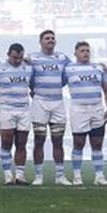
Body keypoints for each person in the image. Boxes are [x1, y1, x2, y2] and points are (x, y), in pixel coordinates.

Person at [64, 41, 107, 186]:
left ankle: (99, 176)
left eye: (87, 50)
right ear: (75, 53)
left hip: (97, 109)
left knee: (97, 143)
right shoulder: (68, 69)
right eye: (82, 51)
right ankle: (77, 176)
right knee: (79, 143)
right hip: (79, 109)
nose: (85, 53)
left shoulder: (98, 68)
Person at [28, 30, 73, 185]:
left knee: (58, 140)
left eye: (53, 38)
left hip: (58, 103)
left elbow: (73, 72)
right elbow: (24, 72)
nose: (50, 40)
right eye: (47, 38)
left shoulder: (62, 58)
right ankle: (39, 176)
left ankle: (60, 176)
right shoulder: (33, 58)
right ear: (40, 42)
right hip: (40, 103)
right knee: (39, 140)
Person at [0, 43, 33, 185]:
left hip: (24, 110)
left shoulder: (29, 68)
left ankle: (20, 175)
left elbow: (33, 86)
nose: (17, 60)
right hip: (6, 109)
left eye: (20, 58)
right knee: (6, 142)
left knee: (21, 143)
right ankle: (8, 174)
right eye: (14, 57)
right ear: (8, 55)